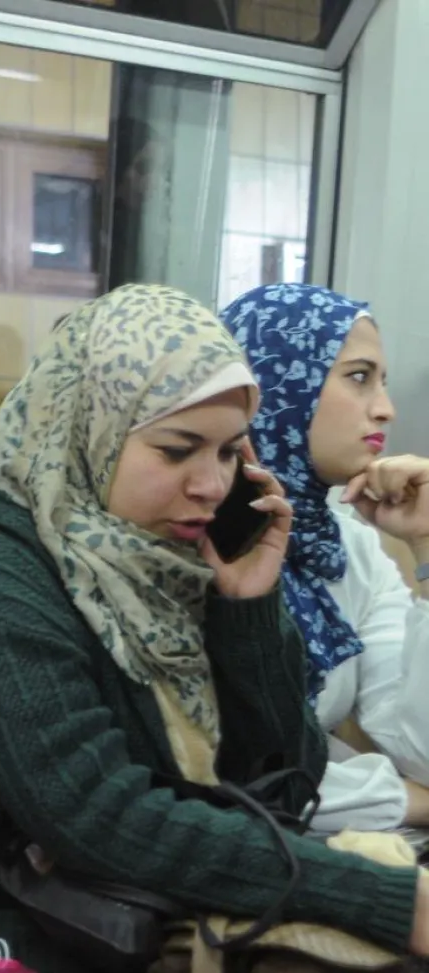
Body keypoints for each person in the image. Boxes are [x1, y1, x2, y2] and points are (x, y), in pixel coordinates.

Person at [0, 284, 429, 973]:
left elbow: (290, 786)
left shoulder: (165, 555)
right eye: (178, 450)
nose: (212, 485)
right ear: (91, 427)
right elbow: (99, 816)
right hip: (36, 928)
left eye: (230, 453)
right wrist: (384, 899)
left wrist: (250, 611)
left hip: (177, 909)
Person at [220, 283, 429, 833]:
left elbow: (422, 752)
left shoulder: (346, 547)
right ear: (277, 384)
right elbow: (222, 777)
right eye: (359, 377)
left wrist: (428, 549)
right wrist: (404, 801)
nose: (385, 409)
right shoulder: (198, 534)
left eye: (383, 382)